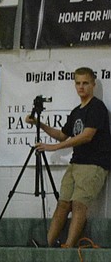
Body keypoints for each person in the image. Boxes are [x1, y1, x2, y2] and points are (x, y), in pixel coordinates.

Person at [28, 68, 111, 249]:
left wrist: (53, 148)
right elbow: (62, 135)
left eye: (85, 83)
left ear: (93, 85)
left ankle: (69, 245)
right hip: (76, 164)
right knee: (63, 204)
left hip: (93, 165)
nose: (81, 87)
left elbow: (86, 136)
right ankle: (47, 244)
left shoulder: (97, 107)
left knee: (79, 205)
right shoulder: (76, 111)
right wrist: (39, 124)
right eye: (78, 83)